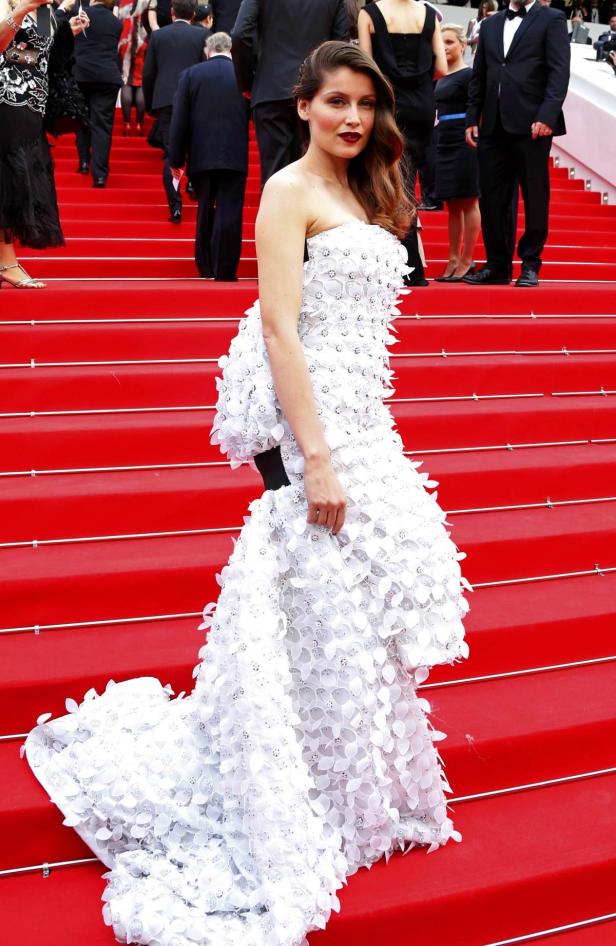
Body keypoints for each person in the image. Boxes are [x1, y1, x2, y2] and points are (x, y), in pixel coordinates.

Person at [25, 41, 470, 946]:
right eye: (335, 101)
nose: (352, 118)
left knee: (356, 613)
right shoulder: (287, 192)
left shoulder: (374, 191)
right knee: (317, 602)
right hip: (321, 432)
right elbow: (277, 326)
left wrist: (357, 431)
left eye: (365, 104)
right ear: (300, 104)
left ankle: (347, 785)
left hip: (367, 417)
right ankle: (287, 788)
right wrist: (317, 455)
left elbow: (365, 326)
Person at [464, 0, 570, 287]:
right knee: (492, 198)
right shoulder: (491, 24)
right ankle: (498, 265)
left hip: (533, 125)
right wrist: (473, 116)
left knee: (535, 196)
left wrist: (546, 115)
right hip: (493, 124)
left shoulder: (553, 19)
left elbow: (559, 72)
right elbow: (480, 74)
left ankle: (531, 264)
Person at [358, 0, 447, 286]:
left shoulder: (369, 13)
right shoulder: (430, 14)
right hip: (422, 104)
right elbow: (442, 67)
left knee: (384, 180)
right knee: (407, 182)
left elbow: (365, 67)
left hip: (389, 104)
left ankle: (401, 266)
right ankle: (410, 266)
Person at [0, 0, 87, 288]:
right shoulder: (12, 4)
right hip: (5, 100)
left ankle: (6, 261)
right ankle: (6, 262)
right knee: (9, 181)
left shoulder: (45, 11)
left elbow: (31, 56)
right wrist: (22, 9)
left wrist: (66, 34)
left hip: (32, 104)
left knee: (20, 182)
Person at [232, 0, 349, 187]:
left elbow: (239, 35)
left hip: (272, 88)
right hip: (316, 90)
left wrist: (247, 82)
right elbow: (341, 46)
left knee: (274, 177)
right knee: (317, 176)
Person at [169, 31, 248, 279]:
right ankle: (225, 268)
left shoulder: (191, 75)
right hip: (235, 152)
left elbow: (179, 120)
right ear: (230, 50)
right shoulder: (243, 76)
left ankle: (205, 264)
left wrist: (176, 158)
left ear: (208, 49)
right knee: (231, 209)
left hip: (202, 152)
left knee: (205, 208)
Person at [142, 0, 207, 222]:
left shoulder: (158, 36)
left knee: (172, 155)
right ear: (194, 14)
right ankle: (193, 186)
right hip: (195, 101)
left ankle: (175, 206)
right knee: (196, 148)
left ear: (171, 12)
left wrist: (150, 103)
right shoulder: (202, 36)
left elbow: (148, 73)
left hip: (166, 101)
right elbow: (204, 72)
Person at [56, 0, 121, 187]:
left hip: (81, 73)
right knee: (102, 126)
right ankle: (100, 175)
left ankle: (84, 162)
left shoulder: (78, 12)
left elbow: (54, 29)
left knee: (82, 120)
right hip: (107, 77)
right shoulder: (116, 22)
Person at [434, 24, 480, 281]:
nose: (445, 46)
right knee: (452, 203)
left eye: (450, 41)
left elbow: (477, 105)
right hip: (444, 138)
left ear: (463, 45)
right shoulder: (440, 76)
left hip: (466, 137)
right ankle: (452, 258)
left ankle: (467, 259)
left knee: (469, 199)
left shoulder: (470, 74)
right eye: (442, 42)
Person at [118, 0, 158, 136]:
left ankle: (127, 123)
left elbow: (115, 18)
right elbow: (153, 24)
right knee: (140, 82)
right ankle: (140, 124)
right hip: (143, 41)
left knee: (126, 79)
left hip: (125, 40)